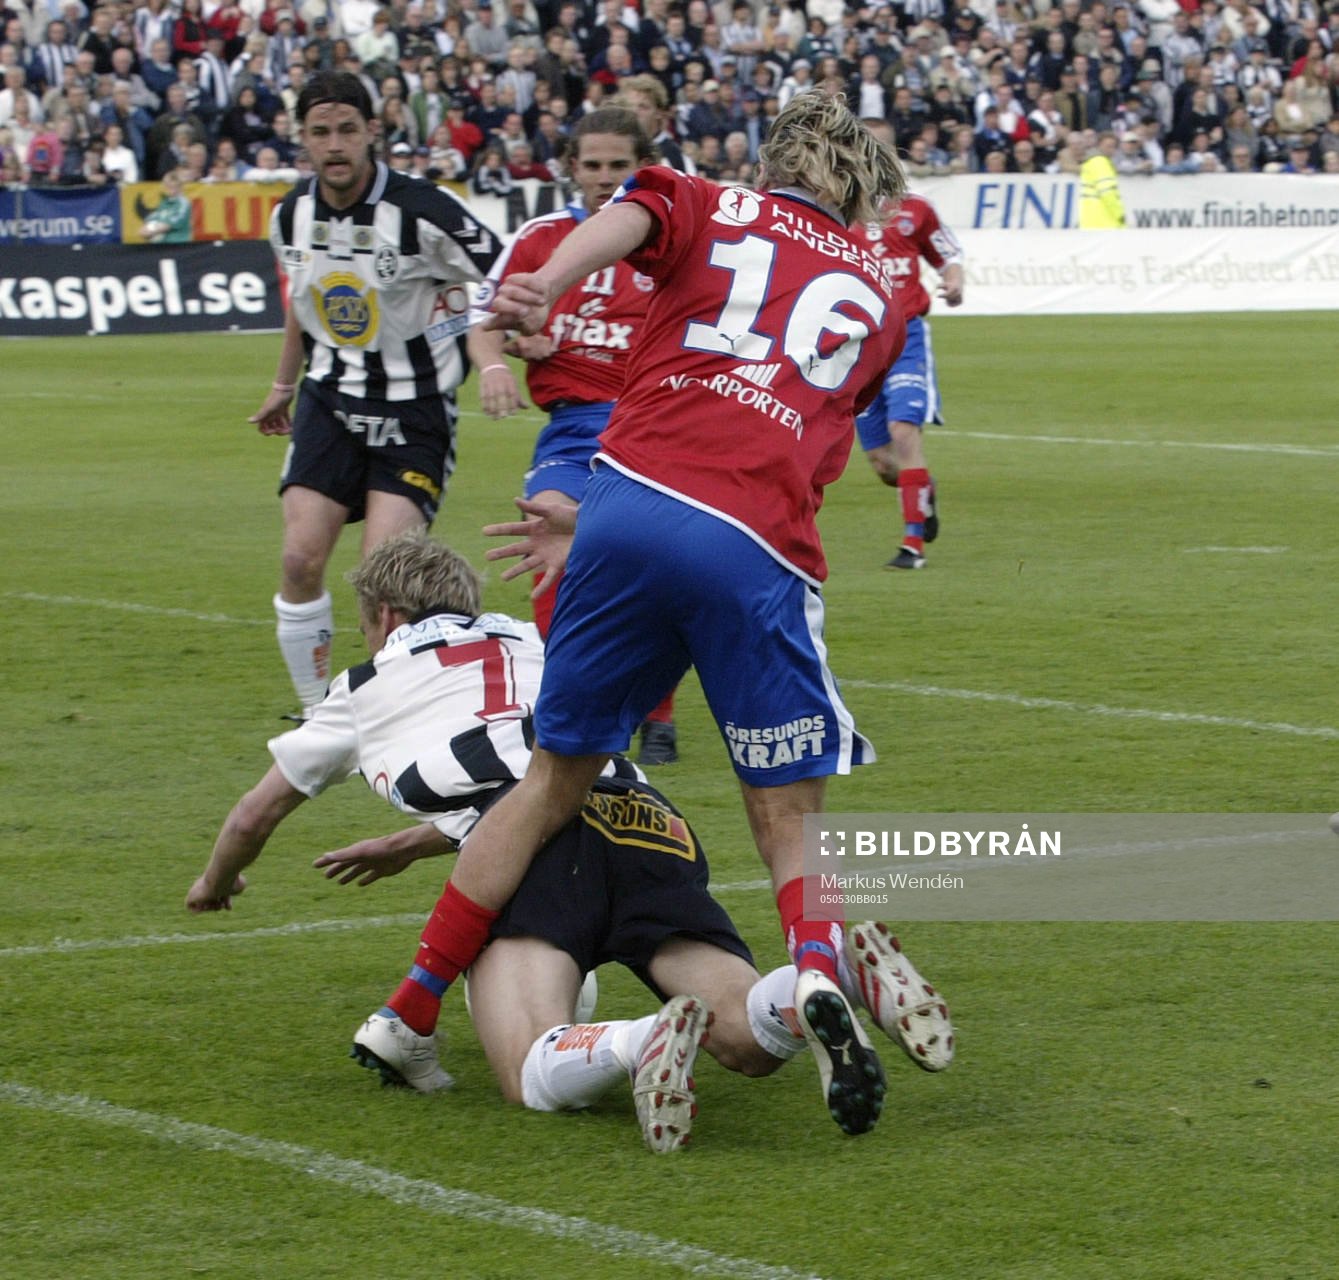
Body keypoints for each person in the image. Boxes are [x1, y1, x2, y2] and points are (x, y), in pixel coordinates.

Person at [359, 91, 934, 1140]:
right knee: (787, 813)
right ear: (862, 189)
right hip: (753, 537)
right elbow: (831, 425)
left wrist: (547, 281)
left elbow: (633, 215)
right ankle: (812, 971)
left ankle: (410, 1004)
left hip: (624, 504)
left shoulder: (708, 198)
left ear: (776, 161)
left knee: (546, 781)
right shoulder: (881, 291)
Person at [186, 531, 954, 1150]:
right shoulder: (535, 638)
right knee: (746, 1039)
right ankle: (832, 977)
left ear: (384, 615)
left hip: (528, 851)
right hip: (646, 822)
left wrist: (217, 882)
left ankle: (641, 1040)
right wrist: (416, 841)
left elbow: (256, 815)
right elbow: (530, 757)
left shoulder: (359, 688)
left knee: (525, 1069)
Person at [250, 70, 503, 715]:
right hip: (329, 401)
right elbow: (300, 305)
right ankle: (316, 711)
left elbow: (501, 272)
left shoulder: (424, 210)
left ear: (373, 134)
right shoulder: (291, 214)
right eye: (319, 132)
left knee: (385, 583)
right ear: (301, 139)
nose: (334, 145)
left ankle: (386, 708)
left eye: (347, 130)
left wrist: (497, 351)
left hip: (414, 411)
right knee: (300, 557)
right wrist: (283, 384)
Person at [466, 106, 680, 767]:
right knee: (547, 542)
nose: (603, 177)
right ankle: (574, 706)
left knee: (654, 566)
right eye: (591, 165)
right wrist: (500, 359)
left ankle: (658, 714)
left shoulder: (677, 238)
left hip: (653, 423)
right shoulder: (541, 238)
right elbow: (483, 320)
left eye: (619, 165)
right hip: (572, 429)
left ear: (641, 166)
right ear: (570, 168)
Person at [853, 121, 965, 571]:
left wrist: (953, 282)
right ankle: (923, 491)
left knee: (904, 433)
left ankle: (912, 546)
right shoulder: (841, 211)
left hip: (906, 336)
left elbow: (947, 254)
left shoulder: (917, 209)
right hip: (859, 346)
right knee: (883, 464)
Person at [140, 167, 193, 241]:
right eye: (169, 187)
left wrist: (153, 230)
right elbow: (153, 217)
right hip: (162, 246)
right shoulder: (164, 203)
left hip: (179, 246)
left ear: (180, 187)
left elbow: (172, 223)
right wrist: (145, 229)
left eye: (174, 187)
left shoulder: (183, 204)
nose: (171, 190)